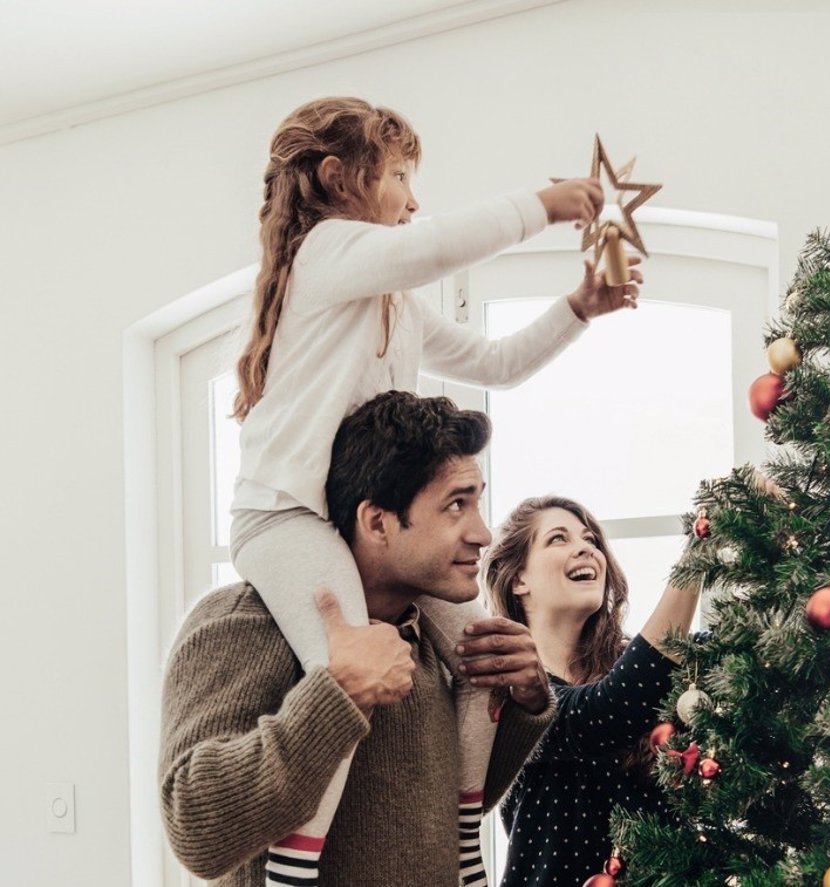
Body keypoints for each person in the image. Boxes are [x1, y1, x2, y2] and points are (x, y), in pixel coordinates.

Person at [227, 97, 640, 886]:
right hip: (285, 516)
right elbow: (433, 247)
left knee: (481, 655)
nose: (414, 199)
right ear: (339, 178)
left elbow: (497, 363)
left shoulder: (397, 305)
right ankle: (291, 864)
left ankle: (462, 846)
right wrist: (543, 206)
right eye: (401, 177)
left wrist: (578, 308)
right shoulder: (325, 254)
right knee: (345, 672)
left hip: (359, 522)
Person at [160, 391, 555, 886]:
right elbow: (197, 830)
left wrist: (525, 702)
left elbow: (433, 819)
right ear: (377, 522)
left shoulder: (427, 636)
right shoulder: (244, 620)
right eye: (457, 504)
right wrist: (337, 694)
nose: (483, 533)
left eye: (478, 501)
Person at [481, 495, 701, 887]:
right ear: (518, 579)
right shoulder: (508, 690)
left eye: (591, 539)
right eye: (558, 539)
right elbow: (605, 714)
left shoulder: (644, 677)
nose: (586, 547)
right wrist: (702, 544)